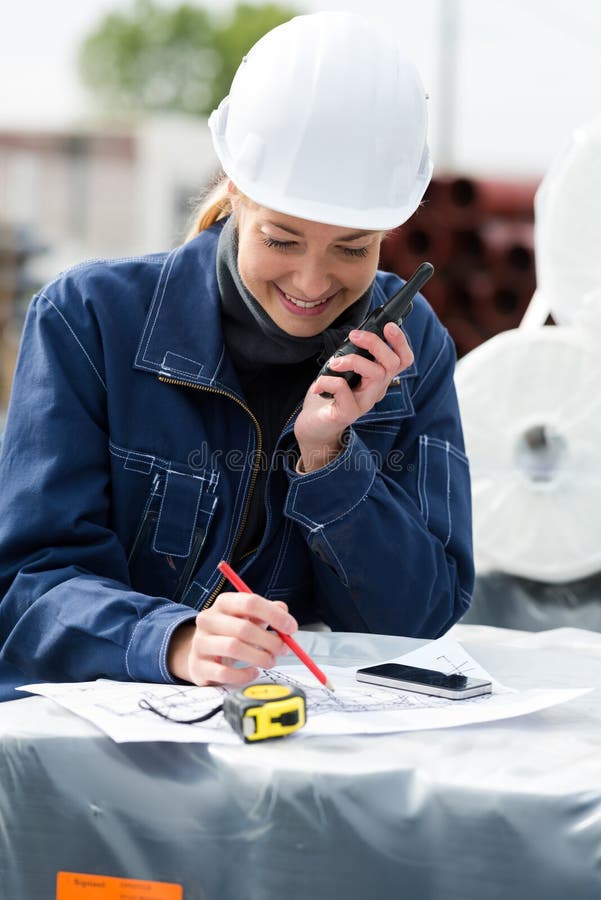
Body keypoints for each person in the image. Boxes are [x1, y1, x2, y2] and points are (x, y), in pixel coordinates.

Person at [0, 11, 474, 701]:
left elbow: (416, 626)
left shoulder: (411, 347)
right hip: (83, 765)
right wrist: (175, 641)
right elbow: (25, 583)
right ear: (233, 192)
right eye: (281, 240)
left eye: (351, 248)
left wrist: (330, 461)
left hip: (291, 760)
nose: (312, 283)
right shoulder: (90, 320)